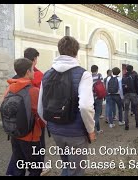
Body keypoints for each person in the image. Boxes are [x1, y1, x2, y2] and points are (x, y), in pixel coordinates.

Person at [38, 36, 95, 176]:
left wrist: (51, 124)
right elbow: (85, 106)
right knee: (76, 170)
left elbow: (40, 107)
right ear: (76, 52)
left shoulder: (47, 74)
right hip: (76, 133)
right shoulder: (83, 74)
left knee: (67, 165)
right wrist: (91, 129)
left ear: (59, 50)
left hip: (56, 131)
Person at [6, 48, 48, 176]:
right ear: (28, 71)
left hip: (14, 132)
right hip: (31, 134)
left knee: (19, 164)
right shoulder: (33, 90)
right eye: (32, 70)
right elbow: (40, 112)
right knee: (35, 168)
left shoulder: (10, 86)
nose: (34, 73)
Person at [122, 65, 138, 130]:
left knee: (126, 110)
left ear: (126, 69)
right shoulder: (135, 75)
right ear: (132, 69)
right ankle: (137, 123)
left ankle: (126, 125)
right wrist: (137, 93)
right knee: (135, 109)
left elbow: (122, 86)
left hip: (126, 94)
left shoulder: (124, 76)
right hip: (133, 94)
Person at [91, 65, 104, 134]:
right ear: (97, 70)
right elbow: (102, 85)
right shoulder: (99, 75)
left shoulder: (89, 77)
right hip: (98, 97)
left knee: (93, 114)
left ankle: (98, 129)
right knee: (97, 114)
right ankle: (92, 130)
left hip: (91, 98)